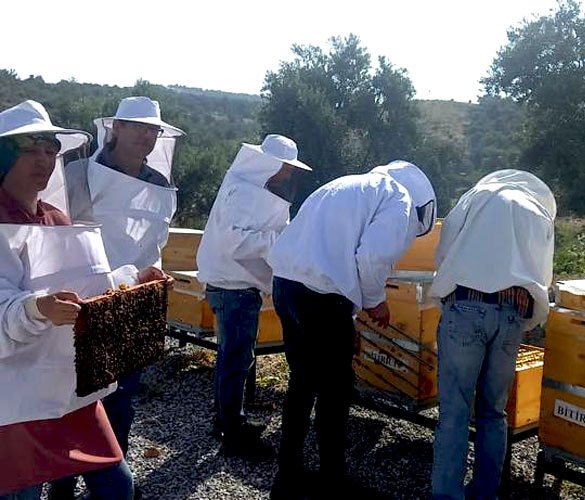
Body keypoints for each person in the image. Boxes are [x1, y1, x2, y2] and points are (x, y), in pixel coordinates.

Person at [0, 100, 168, 500]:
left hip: (70, 386)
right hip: (16, 395)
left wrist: (131, 279)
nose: (44, 160)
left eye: (50, 150)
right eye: (31, 149)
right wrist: (38, 307)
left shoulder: (57, 218)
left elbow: (87, 283)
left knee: (117, 488)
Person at [267, 160, 436, 498]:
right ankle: (331, 480)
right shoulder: (398, 199)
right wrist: (375, 302)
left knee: (301, 385)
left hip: (286, 286)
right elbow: (371, 259)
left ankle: (288, 478)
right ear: (421, 204)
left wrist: (351, 319)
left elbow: (333, 254)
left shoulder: (346, 183)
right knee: (335, 392)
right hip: (321, 298)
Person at [54, 96, 185, 498]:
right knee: (70, 401)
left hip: (131, 301)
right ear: (116, 128)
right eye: (139, 126)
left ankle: (113, 482)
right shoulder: (76, 174)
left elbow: (153, 243)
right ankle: (62, 486)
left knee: (121, 399)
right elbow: (57, 235)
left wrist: (150, 286)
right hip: (81, 300)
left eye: (153, 130)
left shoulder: (159, 185)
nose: (147, 136)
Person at [428, 170, 555, 500]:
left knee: (454, 412)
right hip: (512, 315)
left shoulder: (476, 198)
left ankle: (446, 495)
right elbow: (542, 274)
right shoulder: (536, 212)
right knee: (493, 412)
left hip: (467, 306)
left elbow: (445, 253)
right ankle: (485, 494)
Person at [196, 134, 311, 458]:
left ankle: (225, 421)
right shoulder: (245, 192)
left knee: (231, 358)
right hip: (234, 287)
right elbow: (236, 242)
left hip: (234, 285)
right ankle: (234, 432)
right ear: (268, 164)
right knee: (236, 360)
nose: (288, 175)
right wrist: (279, 244)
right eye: (285, 168)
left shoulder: (249, 190)